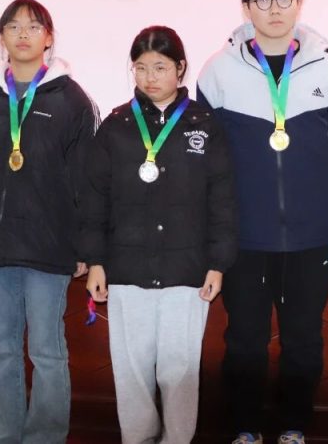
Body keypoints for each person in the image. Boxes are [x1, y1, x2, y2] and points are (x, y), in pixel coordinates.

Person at [197, 0, 328, 444]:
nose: (275, 8)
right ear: (246, 8)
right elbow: (207, 157)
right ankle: (244, 427)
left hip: (310, 235)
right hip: (245, 236)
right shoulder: (219, 71)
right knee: (244, 339)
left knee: (304, 339)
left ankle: (293, 427)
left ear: (299, 3)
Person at [80, 25, 237, 444]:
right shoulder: (116, 126)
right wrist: (96, 261)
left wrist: (218, 263)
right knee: (131, 371)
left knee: (179, 371)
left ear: (180, 68)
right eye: (141, 67)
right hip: (126, 268)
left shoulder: (206, 125)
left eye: (160, 67)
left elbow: (223, 199)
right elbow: (94, 199)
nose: (150, 77)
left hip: (187, 270)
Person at [0, 0, 97, 444]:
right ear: (1, 37)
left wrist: (84, 246)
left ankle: (45, 437)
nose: (23, 34)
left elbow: (86, 180)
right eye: (13, 26)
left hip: (48, 247)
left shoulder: (71, 99)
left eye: (34, 26)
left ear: (48, 38)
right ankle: (6, 433)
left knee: (47, 351)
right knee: (1, 349)